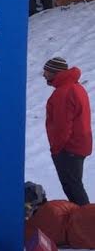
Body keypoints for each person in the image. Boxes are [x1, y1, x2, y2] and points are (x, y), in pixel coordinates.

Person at [44, 56, 92, 206]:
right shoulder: (76, 87)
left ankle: (87, 223)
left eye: (46, 71)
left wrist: (56, 148)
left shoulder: (63, 92)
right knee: (74, 185)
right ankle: (83, 221)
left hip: (68, 148)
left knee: (73, 188)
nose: (44, 74)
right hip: (79, 145)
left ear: (54, 72)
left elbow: (62, 126)